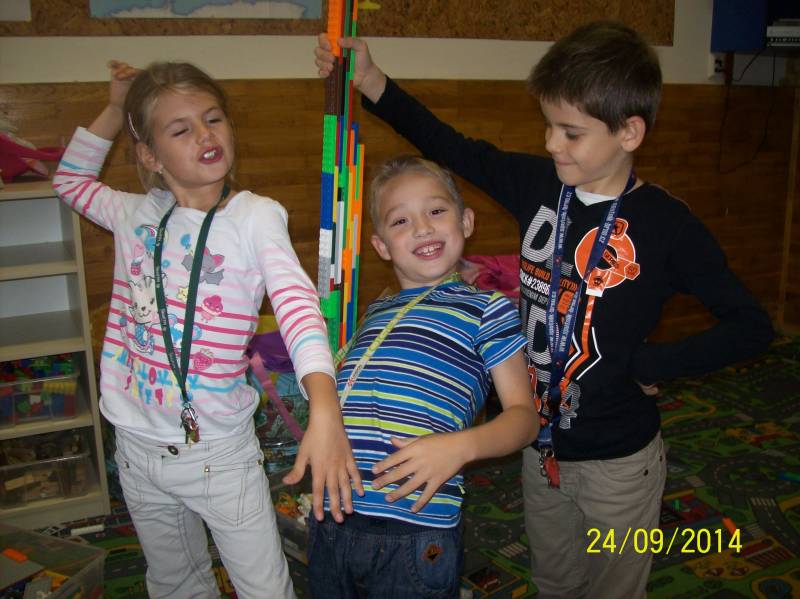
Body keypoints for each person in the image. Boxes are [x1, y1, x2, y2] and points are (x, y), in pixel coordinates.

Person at [314, 21, 774, 599]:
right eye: (549, 125)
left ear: (629, 131)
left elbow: (751, 327)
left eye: (571, 132)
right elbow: (451, 146)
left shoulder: (668, 225)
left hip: (618, 463)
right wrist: (374, 82)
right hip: (542, 453)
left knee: (613, 589)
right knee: (555, 582)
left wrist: (651, 364)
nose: (553, 143)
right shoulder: (539, 185)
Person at [52, 60, 362, 599]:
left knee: (264, 589)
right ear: (150, 155)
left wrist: (325, 406)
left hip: (219, 455)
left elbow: (297, 306)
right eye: (181, 129)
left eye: (213, 119)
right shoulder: (133, 214)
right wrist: (116, 107)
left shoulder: (254, 217)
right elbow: (69, 182)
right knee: (174, 583)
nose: (205, 134)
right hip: (136, 446)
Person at [308, 155, 539, 598]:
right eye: (401, 220)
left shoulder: (486, 308)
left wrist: (461, 447)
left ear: (466, 222)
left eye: (436, 210)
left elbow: (524, 418)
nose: (422, 228)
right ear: (381, 246)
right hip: (333, 515)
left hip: (415, 525)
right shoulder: (375, 311)